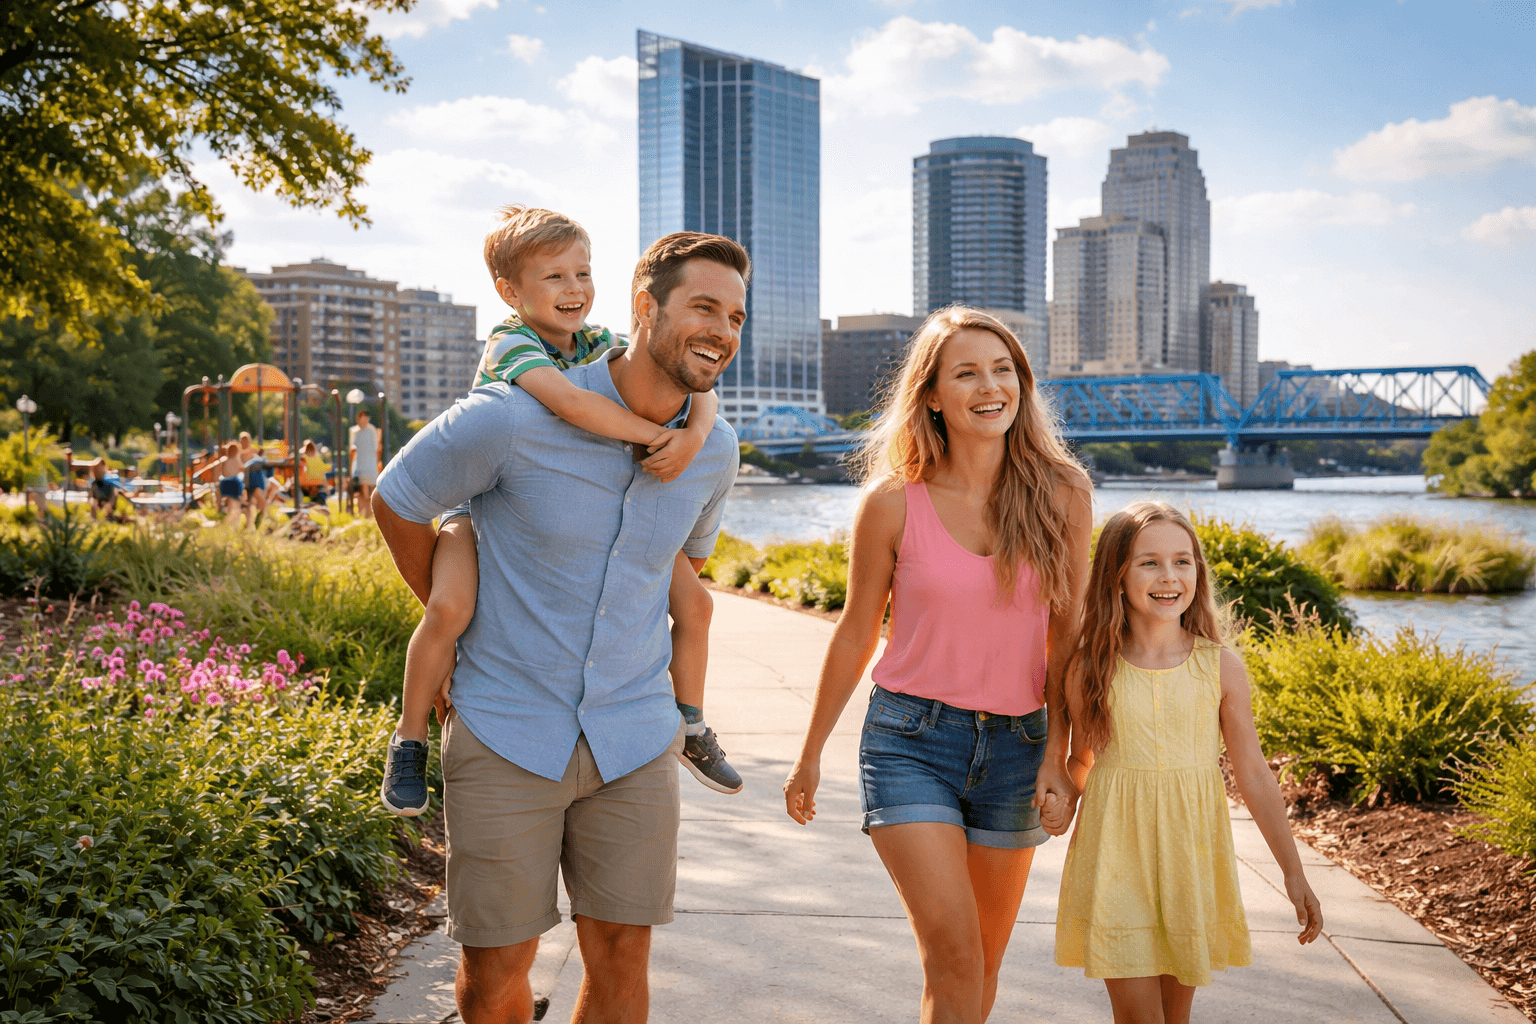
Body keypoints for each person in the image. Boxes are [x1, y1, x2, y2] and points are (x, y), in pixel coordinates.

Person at [373, 230, 745, 1024]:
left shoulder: (714, 452)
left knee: (623, 957)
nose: (723, 329)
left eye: (737, 316)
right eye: (704, 306)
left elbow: (684, 567)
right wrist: (448, 617)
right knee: (497, 964)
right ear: (645, 308)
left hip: (636, 737)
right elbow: (398, 499)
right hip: (508, 727)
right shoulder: (509, 417)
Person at [782, 307, 1093, 1023]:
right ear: (931, 395)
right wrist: (810, 754)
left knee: (982, 964)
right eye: (967, 373)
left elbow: (1069, 634)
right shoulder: (892, 503)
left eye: (1002, 369)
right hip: (909, 742)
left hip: (1019, 748)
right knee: (953, 956)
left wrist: (1063, 757)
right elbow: (857, 629)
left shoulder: (1062, 493)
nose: (990, 387)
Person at [379, 204, 740, 821]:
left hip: (630, 726)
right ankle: (409, 735)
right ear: (510, 291)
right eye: (554, 278)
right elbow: (573, 405)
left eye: (583, 273)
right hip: (478, 506)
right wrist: (656, 439)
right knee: (451, 608)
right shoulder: (513, 346)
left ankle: (690, 720)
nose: (574, 290)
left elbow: (699, 393)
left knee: (697, 603)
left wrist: (694, 435)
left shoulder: (597, 341)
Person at [1051, 501, 1324, 1024]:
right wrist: (1063, 798)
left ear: (1198, 569)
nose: (1169, 576)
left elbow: (1254, 774)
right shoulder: (1090, 667)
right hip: (1115, 858)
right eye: (1148, 562)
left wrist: (1293, 872)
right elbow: (1081, 762)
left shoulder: (1219, 666)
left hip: (1190, 861)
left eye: (1183, 561)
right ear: (1116, 574)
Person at [349, 410, 381, 518]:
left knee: (369, 492)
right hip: (360, 466)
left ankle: (368, 513)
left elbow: (376, 449)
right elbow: (352, 450)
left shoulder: (371, 430)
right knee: (363, 491)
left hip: (370, 466)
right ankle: (365, 514)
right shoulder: (354, 431)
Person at [238, 432, 269, 526]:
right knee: (258, 499)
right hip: (246, 479)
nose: (245, 442)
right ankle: (259, 519)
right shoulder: (239, 451)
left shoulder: (252, 450)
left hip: (254, 476)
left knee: (254, 501)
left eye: (246, 440)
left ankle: (256, 522)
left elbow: (262, 458)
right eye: (243, 440)